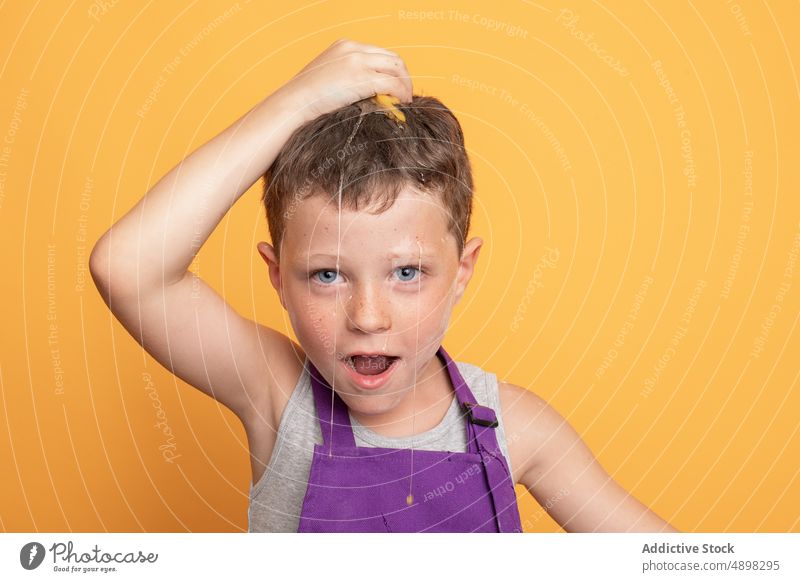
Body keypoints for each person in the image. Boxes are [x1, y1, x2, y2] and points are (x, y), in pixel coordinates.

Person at [90, 38, 678, 533]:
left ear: (461, 272)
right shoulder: (278, 396)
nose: (368, 316)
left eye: (406, 273)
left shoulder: (517, 427)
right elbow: (128, 267)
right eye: (327, 275)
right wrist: (295, 102)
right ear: (277, 275)